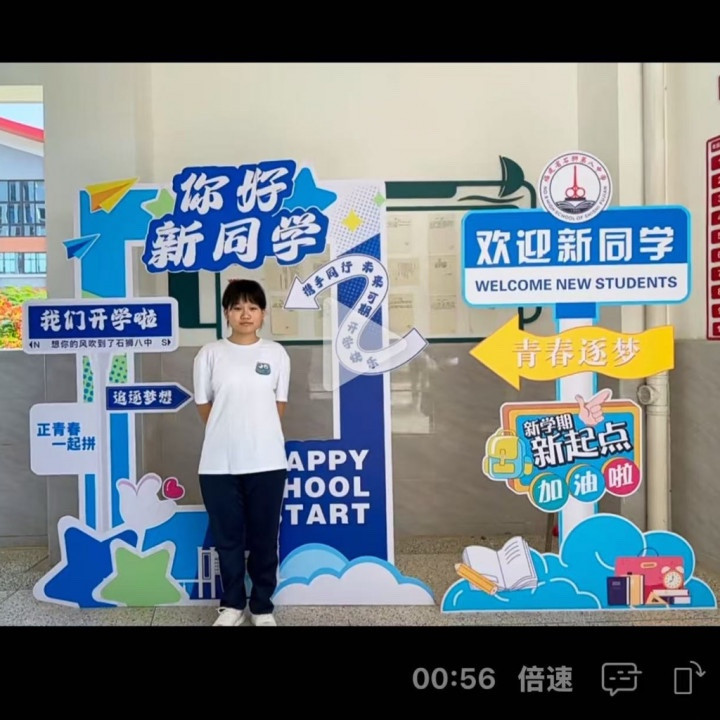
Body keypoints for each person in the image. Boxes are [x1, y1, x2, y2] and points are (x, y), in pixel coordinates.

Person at [192, 278, 290, 627]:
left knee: (264, 538)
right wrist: (227, 433)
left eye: (252, 307)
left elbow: (278, 405)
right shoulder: (209, 354)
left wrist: (255, 435)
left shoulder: (276, 354)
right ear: (227, 314)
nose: (245, 314)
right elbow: (204, 405)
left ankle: (262, 606)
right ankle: (232, 605)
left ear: (263, 313)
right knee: (228, 539)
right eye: (237, 308)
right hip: (218, 464)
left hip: (267, 462)